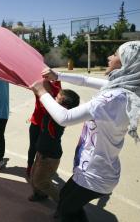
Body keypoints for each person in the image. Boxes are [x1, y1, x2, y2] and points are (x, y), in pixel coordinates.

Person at [31, 41, 140, 221]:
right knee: (66, 200)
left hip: (95, 175)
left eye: (115, 55)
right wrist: (56, 75)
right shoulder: (124, 90)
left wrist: (42, 92)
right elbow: (85, 80)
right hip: (97, 170)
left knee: (66, 209)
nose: (109, 57)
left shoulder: (111, 98)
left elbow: (65, 118)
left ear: (126, 63)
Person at [29, 88, 80, 203]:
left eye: (56, 98)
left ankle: (63, 203)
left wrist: (38, 90)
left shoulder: (58, 118)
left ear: (64, 107)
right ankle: (40, 195)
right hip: (42, 152)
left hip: (49, 157)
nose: (53, 100)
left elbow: (44, 101)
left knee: (41, 182)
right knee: (33, 178)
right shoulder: (54, 112)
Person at [27, 81, 61, 177]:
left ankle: (41, 170)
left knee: (44, 149)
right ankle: (30, 166)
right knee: (33, 146)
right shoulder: (38, 82)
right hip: (36, 121)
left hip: (50, 124)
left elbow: (59, 102)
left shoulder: (56, 83)